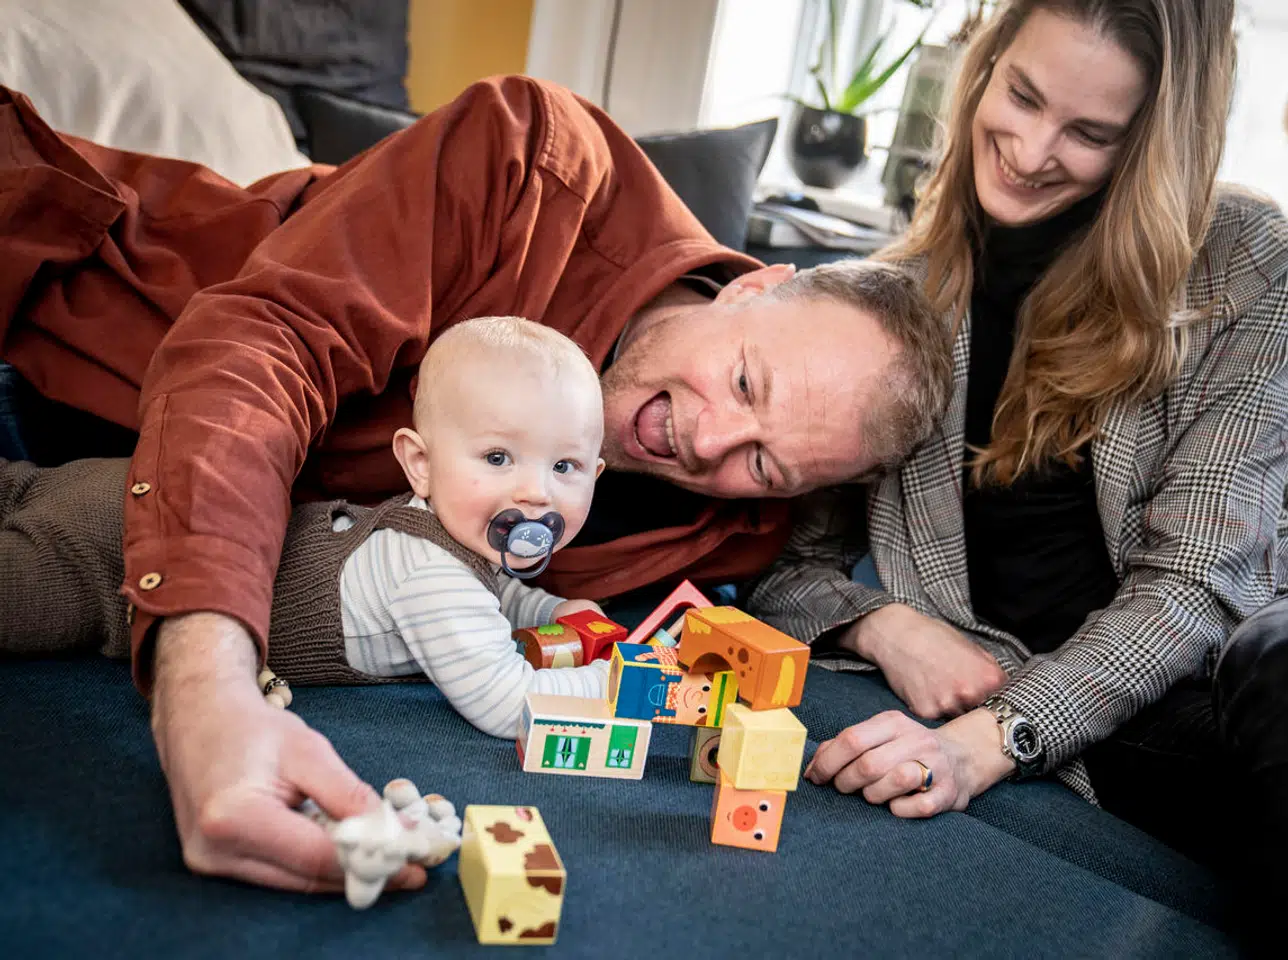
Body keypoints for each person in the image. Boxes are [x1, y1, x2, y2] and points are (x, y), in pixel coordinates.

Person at [0, 76, 953, 895]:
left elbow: (722, 609)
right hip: (46, 336)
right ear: (752, 287)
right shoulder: (532, 160)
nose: (705, 439)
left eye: (764, 461)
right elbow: (264, 346)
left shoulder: (737, 521)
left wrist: (873, 620)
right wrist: (207, 689)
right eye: (747, 382)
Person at [748, 0, 1288, 950]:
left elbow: (1201, 580)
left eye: (1089, 133)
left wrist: (995, 736)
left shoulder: (1242, 262)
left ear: (1149, 141)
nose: (1032, 151)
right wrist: (885, 622)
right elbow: (787, 569)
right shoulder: (895, 298)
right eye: (1022, 96)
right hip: (1123, 727)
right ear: (984, 68)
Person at [3, 316, 622, 737]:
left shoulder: (452, 537)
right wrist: (621, 682)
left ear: (596, 472)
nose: (535, 492)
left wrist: (552, 611)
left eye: (564, 466)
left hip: (138, 495)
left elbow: (499, 592)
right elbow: (508, 703)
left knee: (20, 486)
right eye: (497, 458)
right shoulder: (430, 575)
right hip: (108, 556)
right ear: (420, 465)